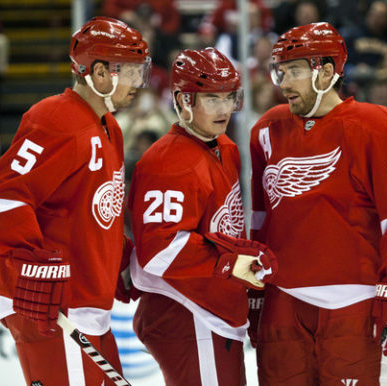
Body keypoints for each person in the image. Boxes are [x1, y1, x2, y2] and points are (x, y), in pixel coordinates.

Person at [0, 17, 150, 386]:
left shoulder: (108, 125)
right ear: (100, 73)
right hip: (53, 304)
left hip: (87, 298)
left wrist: (114, 259)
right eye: (131, 72)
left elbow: (93, 207)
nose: (139, 84)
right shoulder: (56, 120)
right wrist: (35, 263)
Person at [249, 22, 387, 385]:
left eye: (295, 71)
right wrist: (254, 290)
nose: (284, 82)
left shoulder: (380, 128)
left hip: (354, 307)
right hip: (283, 305)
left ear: (328, 72)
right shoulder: (267, 130)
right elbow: (260, 219)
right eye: (281, 71)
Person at [128, 47, 278, 386]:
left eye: (229, 98)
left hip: (212, 311)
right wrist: (230, 263)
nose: (224, 109)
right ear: (183, 100)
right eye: (211, 99)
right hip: (186, 312)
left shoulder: (224, 147)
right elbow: (159, 248)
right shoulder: (169, 162)